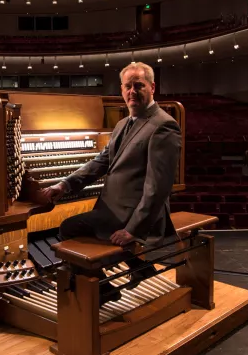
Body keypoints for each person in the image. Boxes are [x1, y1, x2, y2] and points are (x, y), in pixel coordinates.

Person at [40, 62, 181, 301]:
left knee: (68, 228)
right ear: (122, 89)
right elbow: (100, 162)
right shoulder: (122, 124)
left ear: (152, 87)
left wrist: (132, 230)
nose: (132, 91)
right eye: (128, 86)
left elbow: (158, 188)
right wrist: (64, 185)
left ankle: (103, 290)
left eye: (139, 85)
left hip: (134, 215)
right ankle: (136, 268)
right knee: (75, 228)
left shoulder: (163, 125)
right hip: (114, 208)